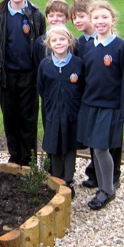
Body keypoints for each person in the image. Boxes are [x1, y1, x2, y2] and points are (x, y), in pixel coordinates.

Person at [77, 0, 124, 210]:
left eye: (104, 17)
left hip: (110, 107)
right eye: (96, 18)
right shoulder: (88, 47)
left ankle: (107, 190)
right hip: (90, 105)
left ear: (112, 20)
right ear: (91, 21)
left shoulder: (121, 46)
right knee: (95, 148)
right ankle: (101, 186)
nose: (100, 21)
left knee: (102, 149)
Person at [0, 0, 46, 166]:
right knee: (10, 118)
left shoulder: (36, 15)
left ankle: (29, 159)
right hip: (7, 76)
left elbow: (42, 44)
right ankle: (14, 157)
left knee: (28, 119)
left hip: (29, 76)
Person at [71, 0, 123, 190]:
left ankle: (111, 181)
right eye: (74, 18)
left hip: (110, 103)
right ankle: (98, 177)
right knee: (95, 142)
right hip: (90, 101)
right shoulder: (84, 44)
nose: (77, 21)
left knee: (107, 143)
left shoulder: (117, 45)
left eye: (81, 16)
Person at [37, 25, 85, 198]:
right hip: (53, 113)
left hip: (72, 113)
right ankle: (57, 179)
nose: (59, 43)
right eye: (55, 40)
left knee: (70, 147)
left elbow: (82, 87)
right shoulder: (45, 65)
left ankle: (69, 180)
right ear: (49, 45)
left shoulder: (78, 64)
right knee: (55, 146)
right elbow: (41, 88)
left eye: (62, 39)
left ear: (70, 42)